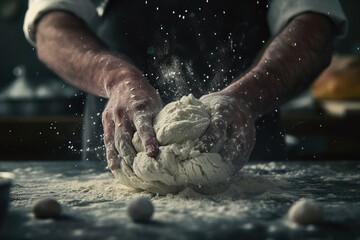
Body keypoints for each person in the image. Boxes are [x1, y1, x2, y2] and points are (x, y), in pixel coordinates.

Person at [24, 0, 347, 171]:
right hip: (125, 142)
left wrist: (246, 98)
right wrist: (117, 78)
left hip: (245, 148)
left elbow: (314, 24)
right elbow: (52, 26)